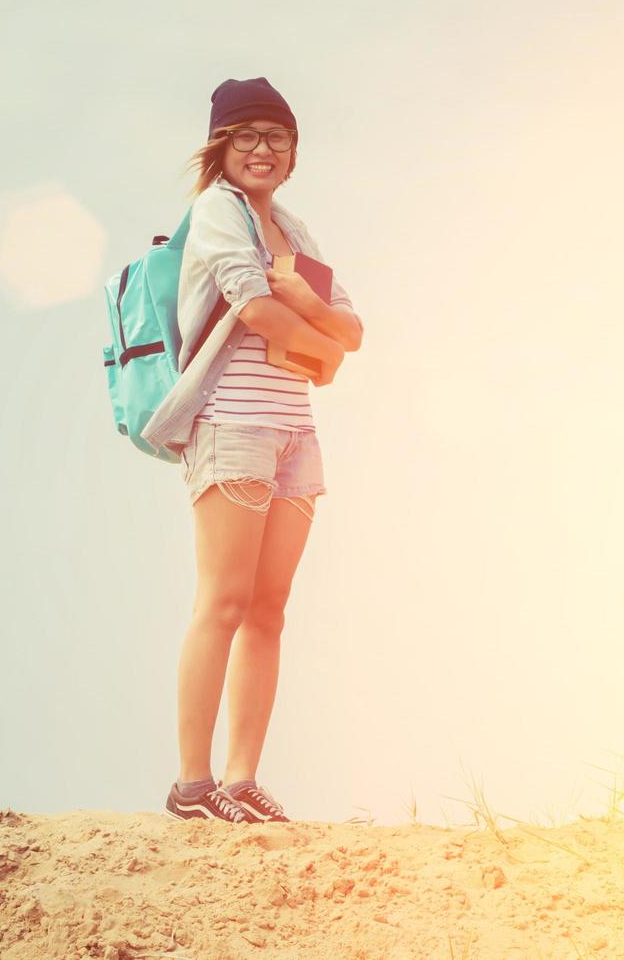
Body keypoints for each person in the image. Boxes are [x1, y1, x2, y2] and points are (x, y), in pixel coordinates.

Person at [146, 77, 364, 823]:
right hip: (232, 423)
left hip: (296, 433)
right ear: (221, 148)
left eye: (276, 136)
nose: (262, 149)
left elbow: (351, 325)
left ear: (294, 151)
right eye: (245, 136)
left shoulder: (295, 233)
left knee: (270, 610)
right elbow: (256, 307)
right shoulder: (214, 211)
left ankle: (241, 782)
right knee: (224, 602)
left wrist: (307, 313)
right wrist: (323, 347)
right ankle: (192, 788)